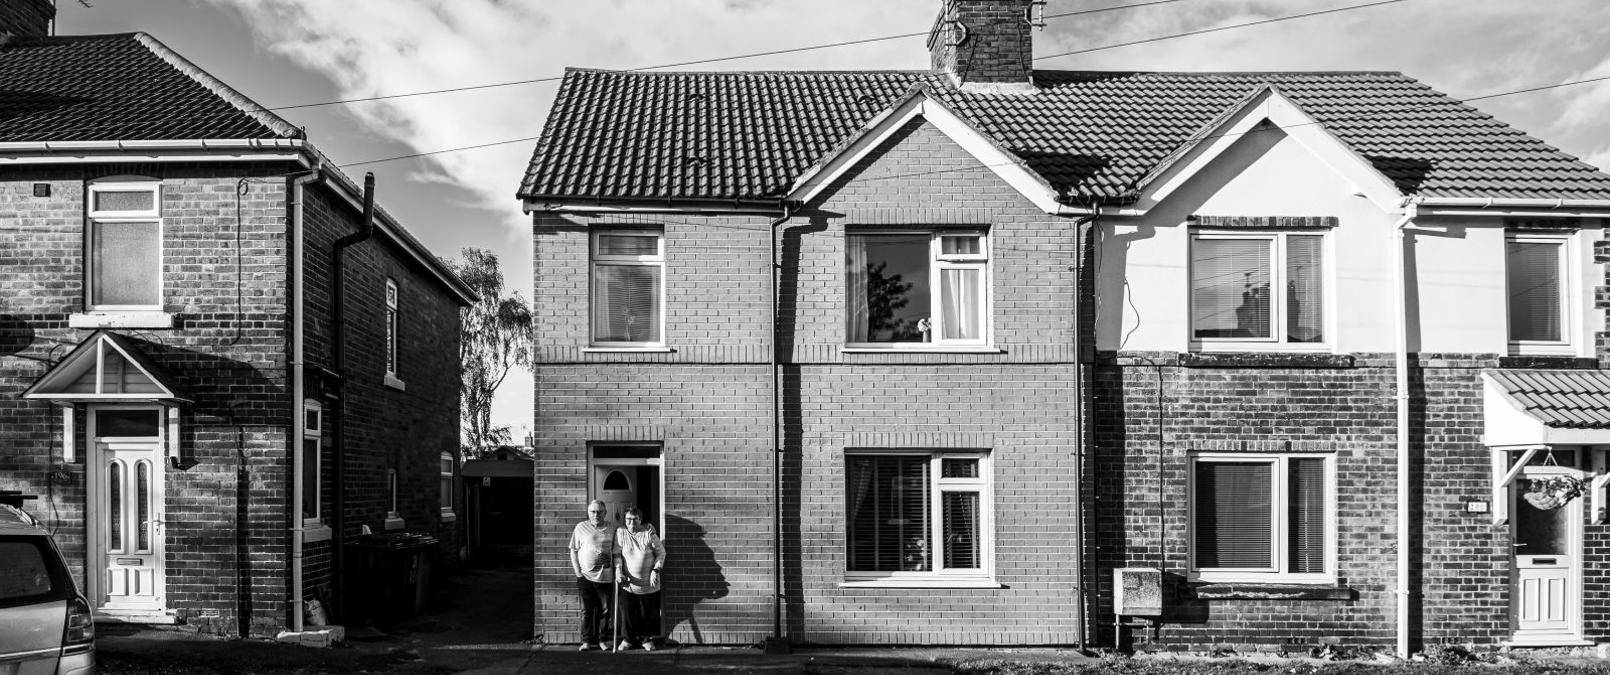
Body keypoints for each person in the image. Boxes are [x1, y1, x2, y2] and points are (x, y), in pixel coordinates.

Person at [612, 506, 666, 651]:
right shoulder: (620, 532)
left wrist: (656, 570)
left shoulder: (649, 532)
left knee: (647, 612)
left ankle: (646, 639)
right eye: (628, 519)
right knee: (628, 612)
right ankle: (628, 639)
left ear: (640, 520)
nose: (631, 522)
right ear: (625, 520)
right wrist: (618, 571)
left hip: (648, 582)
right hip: (628, 582)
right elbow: (617, 555)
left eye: (635, 519)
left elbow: (661, 553)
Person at [569, 499, 615, 651]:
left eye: (599, 511)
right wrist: (578, 572)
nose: (596, 514)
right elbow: (573, 550)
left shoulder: (612, 528)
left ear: (605, 513)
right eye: (593, 511)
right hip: (585, 577)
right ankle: (587, 641)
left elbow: (620, 547)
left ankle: (602, 640)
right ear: (588, 512)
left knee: (605, 610)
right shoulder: (580, 527)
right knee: (587, 610)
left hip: (606, 576)